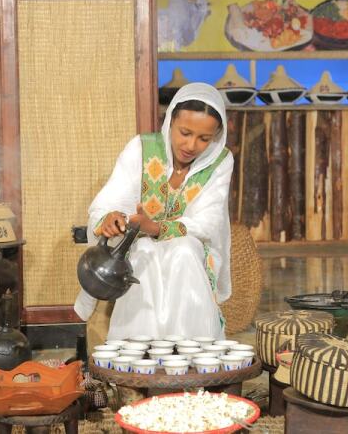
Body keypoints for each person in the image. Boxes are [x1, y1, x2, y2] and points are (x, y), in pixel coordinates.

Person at [74, 82, 234, 340]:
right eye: (184, 132)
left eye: (204, 138)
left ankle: (191, 351)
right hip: (137, 246)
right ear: (170, 121)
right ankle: (139, 353)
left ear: (215, 136)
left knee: (183, 251)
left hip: (190, 249)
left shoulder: (220, 161)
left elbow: (208, 222)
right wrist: (111, 219)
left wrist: (157, 228)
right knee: (146, 251)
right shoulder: (141, 148)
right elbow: (108, 201)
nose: (191, 145)